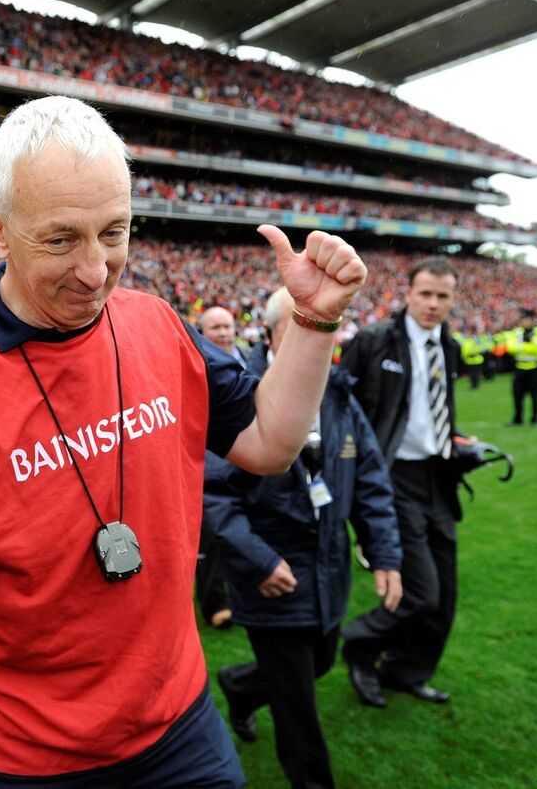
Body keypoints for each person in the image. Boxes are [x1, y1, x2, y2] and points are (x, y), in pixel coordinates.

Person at [0, 95, 367, 788]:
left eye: (115, 231)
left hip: (180, 726)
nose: (96, 270)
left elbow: (271, 441)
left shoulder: (158, 324)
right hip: (23, 760)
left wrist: (311, 322)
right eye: (61, 238)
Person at [209, 289, 402, 788]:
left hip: (328, 565)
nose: (322, 341)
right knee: (298, 704)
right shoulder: (235, 395)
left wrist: (383, 552)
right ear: (275, 333)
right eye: (309, 327)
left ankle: (240, 684)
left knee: (317, 663)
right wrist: (258, 561)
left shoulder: (337, 391)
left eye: (329, 329)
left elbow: (371, 479)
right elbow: (213, 496)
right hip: (272, 571)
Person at [339, 257, 465, 707]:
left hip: (438, 477)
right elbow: (341, 409)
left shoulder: (449, 347)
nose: (433, 304)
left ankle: (405, 671)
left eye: (442, 296)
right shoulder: (374, 343)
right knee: (421, 593)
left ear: (453, 300)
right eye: (426, 294)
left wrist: (456, 444)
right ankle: (359, 644)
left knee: (444, 596)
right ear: (407, 294)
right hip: (392, 479)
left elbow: (435, 413)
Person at [196, 306, 244, 629]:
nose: (225, 333)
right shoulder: (194, 361)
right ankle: (215, 602)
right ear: (201, 333)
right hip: (210, 462)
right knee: (211, 535)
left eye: (228, 326)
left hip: (248, 459)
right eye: (216, 327)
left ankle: (244, 594)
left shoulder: (251, 359)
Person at [506, 309, 537, 426]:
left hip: (535, 368)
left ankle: (535, 419)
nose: (524, 322)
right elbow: (511, 348)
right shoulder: (516, 333)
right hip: (519, 367)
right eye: (523, 319)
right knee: (517, 395)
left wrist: (522, 347)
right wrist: (530, 347)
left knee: (535, 395)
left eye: (527, 319)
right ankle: (517, 419)